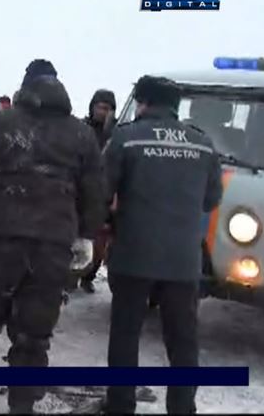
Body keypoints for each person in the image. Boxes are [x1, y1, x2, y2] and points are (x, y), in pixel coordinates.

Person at [0, 59, 106, 414]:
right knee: (34, 328)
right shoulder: (80, 134)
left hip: (0, 234)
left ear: (25, 86)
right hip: (53, 241)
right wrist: (86, 235)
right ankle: (22, 402)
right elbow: (94, 189)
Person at [102, 75, 222, 415]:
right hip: (183, 261)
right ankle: (182, 408)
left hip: (133, 255)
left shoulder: (125, 138)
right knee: (183, 341)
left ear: (142, 103)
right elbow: (211, 199)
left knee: (125, 335)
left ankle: (121, 405)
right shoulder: (203, 144)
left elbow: (101, 193)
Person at [77, 88, 118, 293]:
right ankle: (71, 276)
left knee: (100, 244)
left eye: (108, 109)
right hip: (82, 192)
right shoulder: (81, 129)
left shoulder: (117, 133)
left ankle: (88, 276)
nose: (103, 112)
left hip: (105, 195)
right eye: (100, 107)